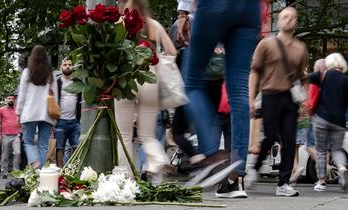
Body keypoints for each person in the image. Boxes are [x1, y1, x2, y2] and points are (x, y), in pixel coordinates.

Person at [181, 0, 260, 195]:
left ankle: (213, 156)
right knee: (239, 89)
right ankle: (236, 175)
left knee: (191, 83)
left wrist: (183, 13)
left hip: (215, 6)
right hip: (250, 9)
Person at [246, 7, 308, 197]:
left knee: (290, 140)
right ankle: (255, 168)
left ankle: (283, 183)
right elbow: (255, 71)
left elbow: (301, 77)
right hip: (270, 95)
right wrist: (250, 98)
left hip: (290, 99)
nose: (288, 20)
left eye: (292, 17)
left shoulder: (301, 48)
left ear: (296, 22)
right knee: (270, 136)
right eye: (285, 17)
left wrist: (304, 100)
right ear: (279, 21)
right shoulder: (266, 44)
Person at [115, 0, 177, 182]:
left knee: (124, 135)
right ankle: (158, 162)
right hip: (150, 78)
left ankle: (126, 180)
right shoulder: (153, 25)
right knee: (147, 135)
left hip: (126, 79)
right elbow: (172, 51)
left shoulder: (120, 23)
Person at [311, 53, 348, 192]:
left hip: (321, 118)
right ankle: (342, 168)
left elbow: (306, 79)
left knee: (321, 150)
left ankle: (321, 181)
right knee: (337, 149)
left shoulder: (322, 75)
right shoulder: (345, 80)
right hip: (339, 121)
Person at [16, 45, 57, 169]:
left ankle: (34, 162)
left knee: (28, 141)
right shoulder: (51, 75)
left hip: (30, 112)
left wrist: (18, 112)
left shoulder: (27, 73)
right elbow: (55, 96)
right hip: (46, 114)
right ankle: (42, 172)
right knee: (43, 144)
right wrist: (55, 118)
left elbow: (22, 94)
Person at [54, 58, 82, 167]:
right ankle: (60, 172)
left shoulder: (77, 83)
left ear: (73, 67)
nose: (67, 67)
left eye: (69, 65)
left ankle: (73, 171)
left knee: (75, 147)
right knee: (60, 148)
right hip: (60, 121)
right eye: (65, 64)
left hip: (75, 121)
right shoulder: (57, 82)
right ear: (61, 67)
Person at [0, 93, 21, 179]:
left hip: (16, 135)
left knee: (17, 153)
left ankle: (15, 171)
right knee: (5, 154)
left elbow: (20, 121)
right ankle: (4, 172)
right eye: (9, 98)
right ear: (6, 100)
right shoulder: (1, 110)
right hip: (5, 134)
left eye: (12, 98)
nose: (11, 100)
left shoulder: (18, 109)